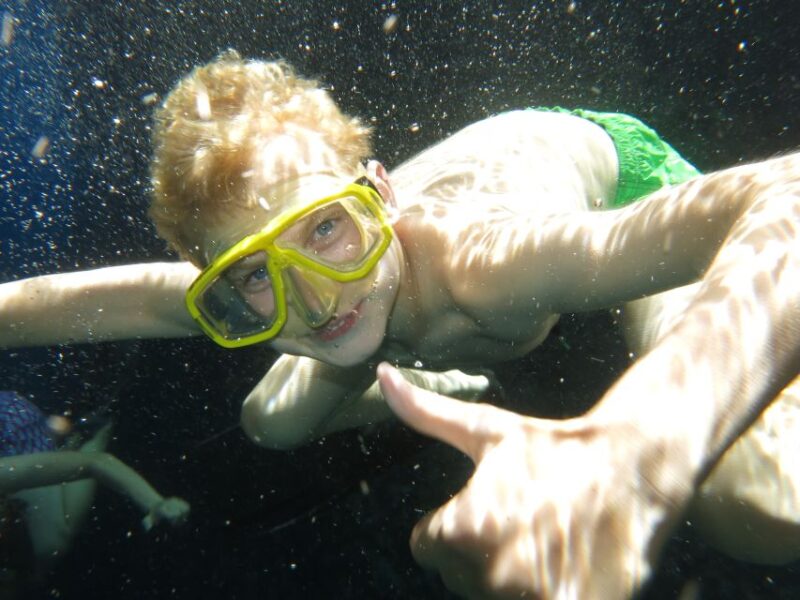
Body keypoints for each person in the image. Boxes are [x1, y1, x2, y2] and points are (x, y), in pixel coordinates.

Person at [0, 51, 798, 597]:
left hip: (617, 176)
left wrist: (635, 456)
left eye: (323, 230)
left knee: (758, 507)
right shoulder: (265, 291)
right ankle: (415, 372)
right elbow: (48, 304)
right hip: (412, 249)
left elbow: (785, 196)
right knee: (269, 422)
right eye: (253, 270)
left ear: (381, 197)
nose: (314, 301)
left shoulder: (485, 267)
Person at [0, 391, 190, 596]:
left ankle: (87, 431)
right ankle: (80, 436)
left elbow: (95, 463)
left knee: (51, 542)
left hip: (18, 437)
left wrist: (154, 502)